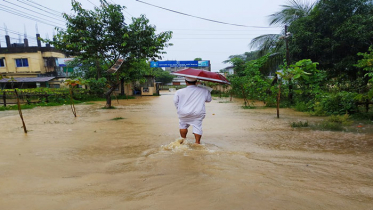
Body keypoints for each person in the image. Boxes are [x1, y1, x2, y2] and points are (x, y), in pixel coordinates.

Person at [173, 77, 212, 144]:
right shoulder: (204, 90)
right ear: (196, 82)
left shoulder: (179, 91)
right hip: (198, 112)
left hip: (183, 112)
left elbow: (175, 102)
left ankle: (183, 141)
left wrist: (180, 110)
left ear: (186, 82)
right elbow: (209, 100)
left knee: (183, 125)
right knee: (197, 126)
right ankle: (197, 143)